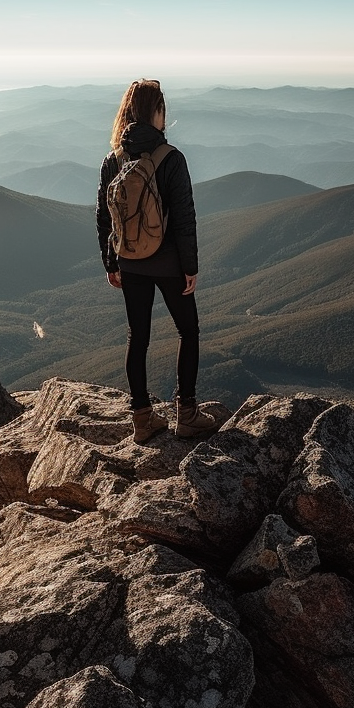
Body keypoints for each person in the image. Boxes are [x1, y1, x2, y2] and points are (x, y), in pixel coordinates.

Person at [96, 79, 218, 443]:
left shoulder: (113, 159)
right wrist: (190, 267)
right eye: (163, 109)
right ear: (156, 112)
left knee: (139, 338)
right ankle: (187, 414)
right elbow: (184, 217)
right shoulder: (171, 158)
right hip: (167, 263)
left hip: (129, 261)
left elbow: (104, 217)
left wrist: (111, 263)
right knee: (188, 331)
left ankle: (142, 419)